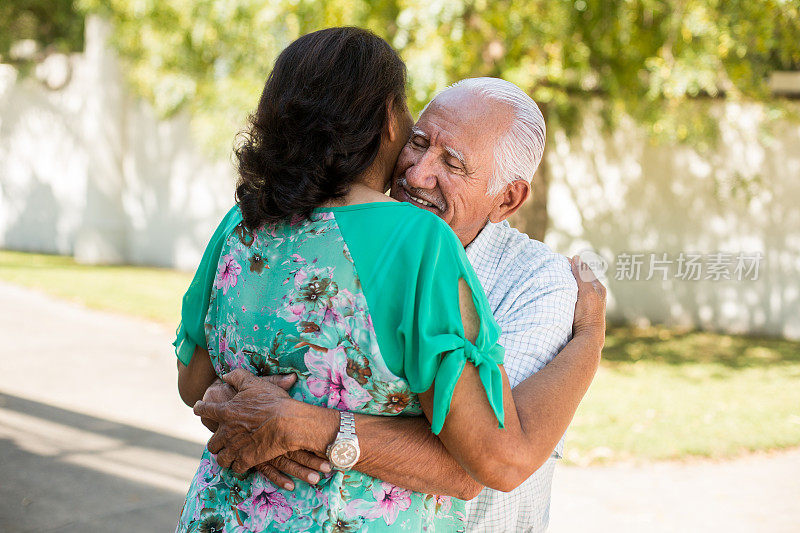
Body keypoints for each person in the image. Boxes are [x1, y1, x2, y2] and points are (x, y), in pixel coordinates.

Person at [174, 29, 603, 532]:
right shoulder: (417, 241)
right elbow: (489, 462)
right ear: (386, 120)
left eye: (452, 163)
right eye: (416, 138)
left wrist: (285, 422)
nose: (418, 172)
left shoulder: (242, 220)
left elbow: (193, 383)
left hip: (220, 515)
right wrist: (591, 339)